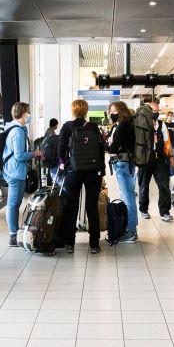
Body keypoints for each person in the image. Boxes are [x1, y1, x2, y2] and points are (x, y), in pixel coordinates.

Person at [58, 99, 106, 255]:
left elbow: (61, 149)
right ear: (86, 111)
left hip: (74, 171)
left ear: (73, 111)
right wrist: (101, 170)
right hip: (93, 171)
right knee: (92, 207)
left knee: (72, 206)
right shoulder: (93, 127)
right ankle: (94, 244)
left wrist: (63, 164)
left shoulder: (67, 126)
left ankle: (69, 243)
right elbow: (101, 149)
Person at [3, 102, 40, 247]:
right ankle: (13, 235)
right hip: (15, 172)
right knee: (13, 205)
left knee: (14, 204)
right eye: (28, 112)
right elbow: (19, 155)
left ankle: (14, 233)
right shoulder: (17, 131)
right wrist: (35, 153)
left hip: (14, 170)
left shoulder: (15, 128)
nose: (29, 115)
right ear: (22, 113)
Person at [138, 100, 174, 222]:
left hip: (159, 159)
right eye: (154, 111)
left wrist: (171, 156)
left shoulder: (161, 125)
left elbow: (167, 143)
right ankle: (143, 209)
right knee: (143, 186)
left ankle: (165, 211)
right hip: (144, 159)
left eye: (158, 111)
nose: (156, 113)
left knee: (164, 185)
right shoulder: (141, 123)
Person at [107, 101, 138, 242]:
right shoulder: (127, 124)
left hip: (123, 164)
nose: (111, 113)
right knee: (127, 196)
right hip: (128, 164)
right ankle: (129, 229)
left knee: (128, 199)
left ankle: (131, 231)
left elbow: (113, 148)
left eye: (113, 111)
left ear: (120, 111)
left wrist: (108, 147)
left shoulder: (123, 126)